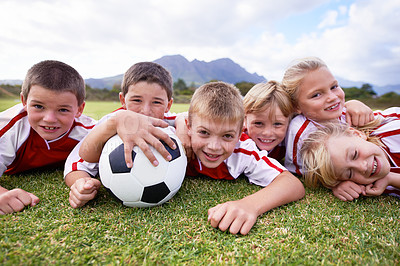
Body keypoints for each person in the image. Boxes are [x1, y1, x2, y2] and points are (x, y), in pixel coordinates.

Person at [184, 81, 305, 235]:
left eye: (227, 136)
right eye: (204, 133)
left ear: (241, 132)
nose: (214, 146)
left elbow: (292, 184)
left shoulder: (243, 152)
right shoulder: (173, 138)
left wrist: (249, 205)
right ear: (189, 127)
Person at [65, 62, 177, 208]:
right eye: (137, 100)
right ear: (123, 100)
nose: (145, 111)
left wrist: (182, 124)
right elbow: (76, 163)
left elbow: (196, 119)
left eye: (156, 102)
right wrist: (82, 182)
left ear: (168, 105)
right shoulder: (109, 124)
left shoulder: (167, 122)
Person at [0, 60, 96, 215]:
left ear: (79, 109)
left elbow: (112, 126)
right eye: (38, 106)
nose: (50, 118)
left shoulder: (89, 131)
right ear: (24, 101)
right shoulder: (10, 127)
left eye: (63, 109)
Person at [281, 56, 375, 178]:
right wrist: (337, 182)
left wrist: (354, 103)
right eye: (316, 95)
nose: (332, 97)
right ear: (296, 106)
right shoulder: (300, 131)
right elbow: (299, 170)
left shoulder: (347, 112)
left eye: (334, 87)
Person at [300, 108, 400, 199]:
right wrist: (338, 186)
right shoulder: (369, 184)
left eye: (355, 154)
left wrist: (391, 179)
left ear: (357, 134)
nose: (363, 167)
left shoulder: (395, 133)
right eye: (350, 173)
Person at [242, 80, 293, 161]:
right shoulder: (237, 142)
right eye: (258, 123)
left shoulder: (290, 141)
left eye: (277, 124)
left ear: (289, 122)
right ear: (244, 119)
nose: (267, 133)